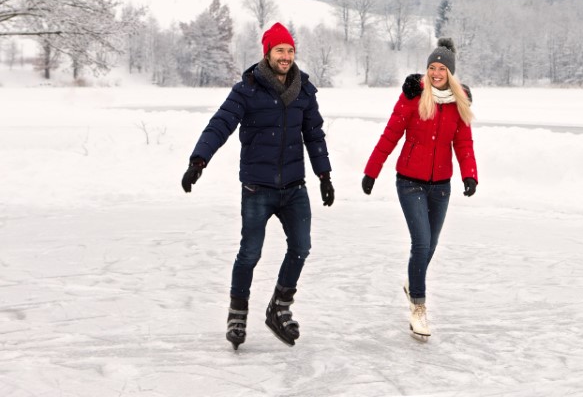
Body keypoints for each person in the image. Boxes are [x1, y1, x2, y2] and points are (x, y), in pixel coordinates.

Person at [180, 22, 335, 350]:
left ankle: (280, 307)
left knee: (302, 247)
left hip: (294, 188)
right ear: (268, 53)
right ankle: (237, 311)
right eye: (280, 50)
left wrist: (324, 175)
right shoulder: (247, 89)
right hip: (257, 188)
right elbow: (219, 124)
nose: (286, 56)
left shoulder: (304, 91)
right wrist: (199, 161)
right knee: (250, 252)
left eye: (290, 50)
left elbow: (314, 135)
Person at [361, 38, 478, 338]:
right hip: (410, 182)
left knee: (432, 244)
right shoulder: (413, 96)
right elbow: (391, 135)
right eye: (431, 67)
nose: (436, 73)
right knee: (421, 243)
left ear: (450, 73)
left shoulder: (458, 102)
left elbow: (463, 143)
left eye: (442, 68)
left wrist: (470, 175)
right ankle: (418, 308)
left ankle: (413, 282)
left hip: (441, 186)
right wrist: (371, 171)